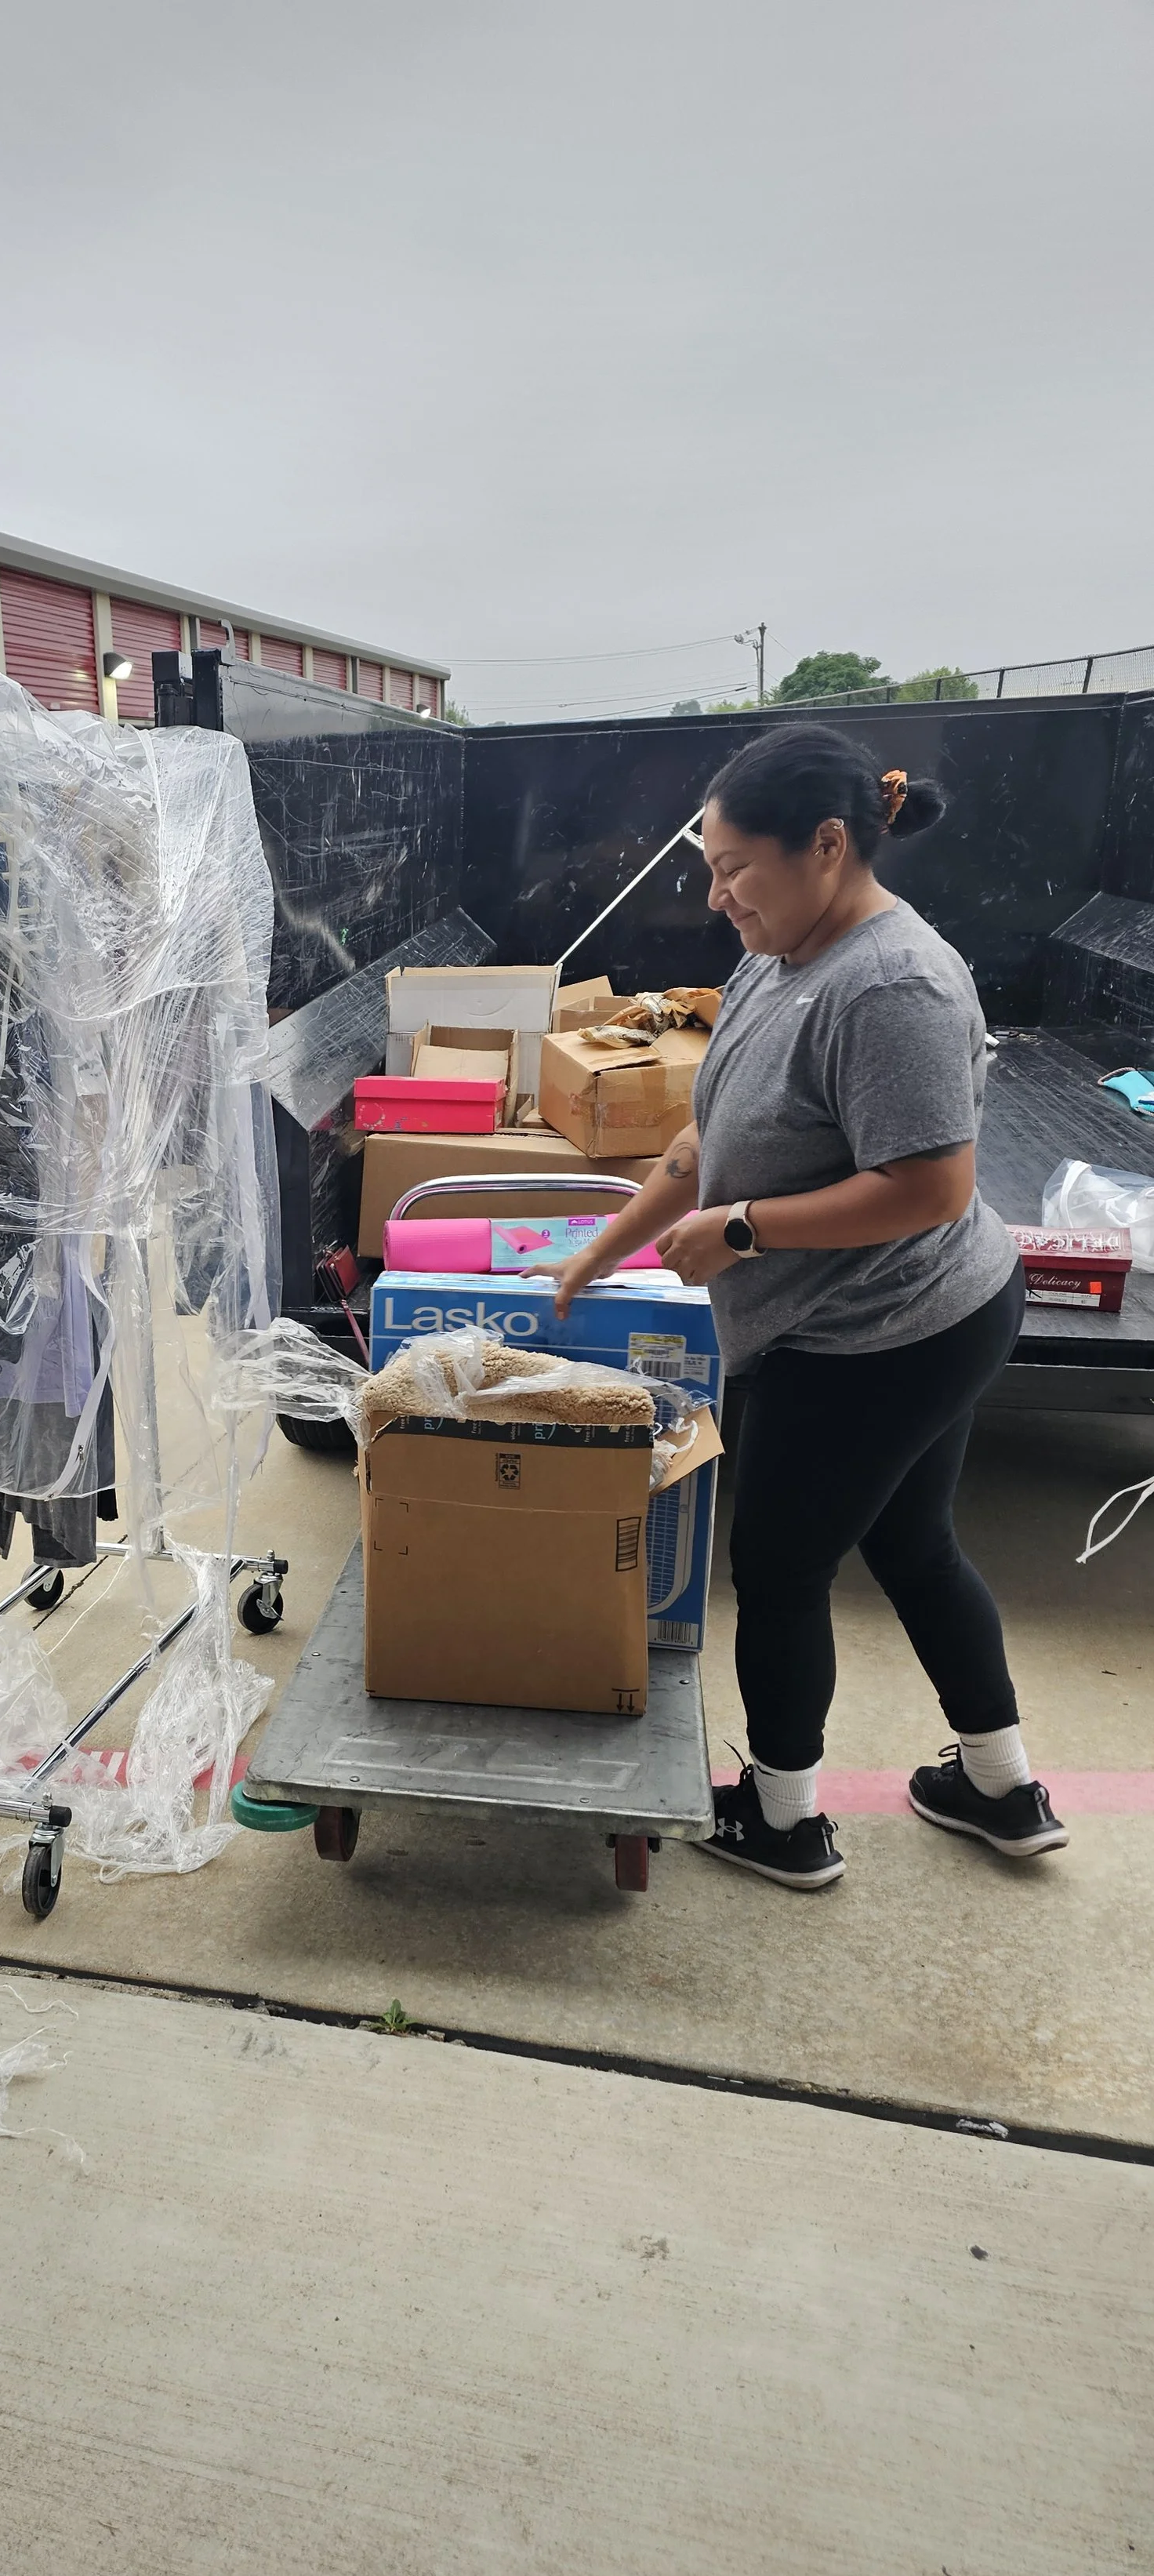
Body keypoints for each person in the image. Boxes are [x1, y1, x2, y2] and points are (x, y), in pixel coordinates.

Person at [553, 721, 1065, 1891]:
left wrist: (743, 1232)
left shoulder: (892, 985)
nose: (718, 893)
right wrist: (600, 1251)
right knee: (914, 1539)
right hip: (903, 1320)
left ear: (828, 845)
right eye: (711, 866)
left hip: (886, 1333)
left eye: (737, 868)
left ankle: (783, 1821)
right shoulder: (778, 957)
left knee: (780, 1571)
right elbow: (707, 1136)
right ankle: (1002, 1789)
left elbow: (934, 1188)